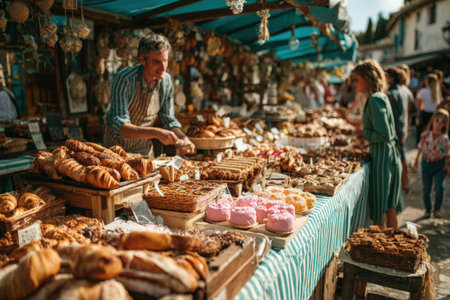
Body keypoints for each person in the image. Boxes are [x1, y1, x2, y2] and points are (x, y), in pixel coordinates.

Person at [104, 32, 195, 158]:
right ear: (142, 60)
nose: (163, 68)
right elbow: (121, 127)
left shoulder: (166, 81)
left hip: (144, 152)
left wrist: (183, 138)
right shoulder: (124, 79)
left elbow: (168, 119)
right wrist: (157, 133)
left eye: (165, 61)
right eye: (156, 62)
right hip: (116, 152)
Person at [351, 59, 402, 229]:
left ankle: (380, 250)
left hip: (383, 159)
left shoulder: (374, 99)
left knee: (379, 211)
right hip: (388, 155)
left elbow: (384, 134)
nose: (353, 83)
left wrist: (363, 132)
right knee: (389, 209)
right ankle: (392, 249)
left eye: (356, 79)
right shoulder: (380, 97)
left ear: (368, 78)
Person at [413, 108, 450, 219]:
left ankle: (437, 209)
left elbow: (447, 155)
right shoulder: (425, 135)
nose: (439, 123)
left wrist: (447, 167)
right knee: (426, 189)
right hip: (426, 164)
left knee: (440, 187)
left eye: (443, 121)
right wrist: (416, 161)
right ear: (433, 120)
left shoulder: (445, 139)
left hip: (440, 164)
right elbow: (420, 148)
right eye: (437, 119)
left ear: (445, 124)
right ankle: (428, 209)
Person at [385, 67, 410, 193]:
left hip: (396, 130)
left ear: (391, 78)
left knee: (398, 158)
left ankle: (402, 184)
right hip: (402, 128)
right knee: (402, 156)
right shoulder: (403, 91)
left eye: (386, 75)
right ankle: (405, 183)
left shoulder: (391, 93)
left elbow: (389, 117)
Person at [416, 73, 443, 139]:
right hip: (435, 115)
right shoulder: (438, 92)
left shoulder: (423, 91)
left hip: (425, 115)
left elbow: (418, 105)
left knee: (423, 134)